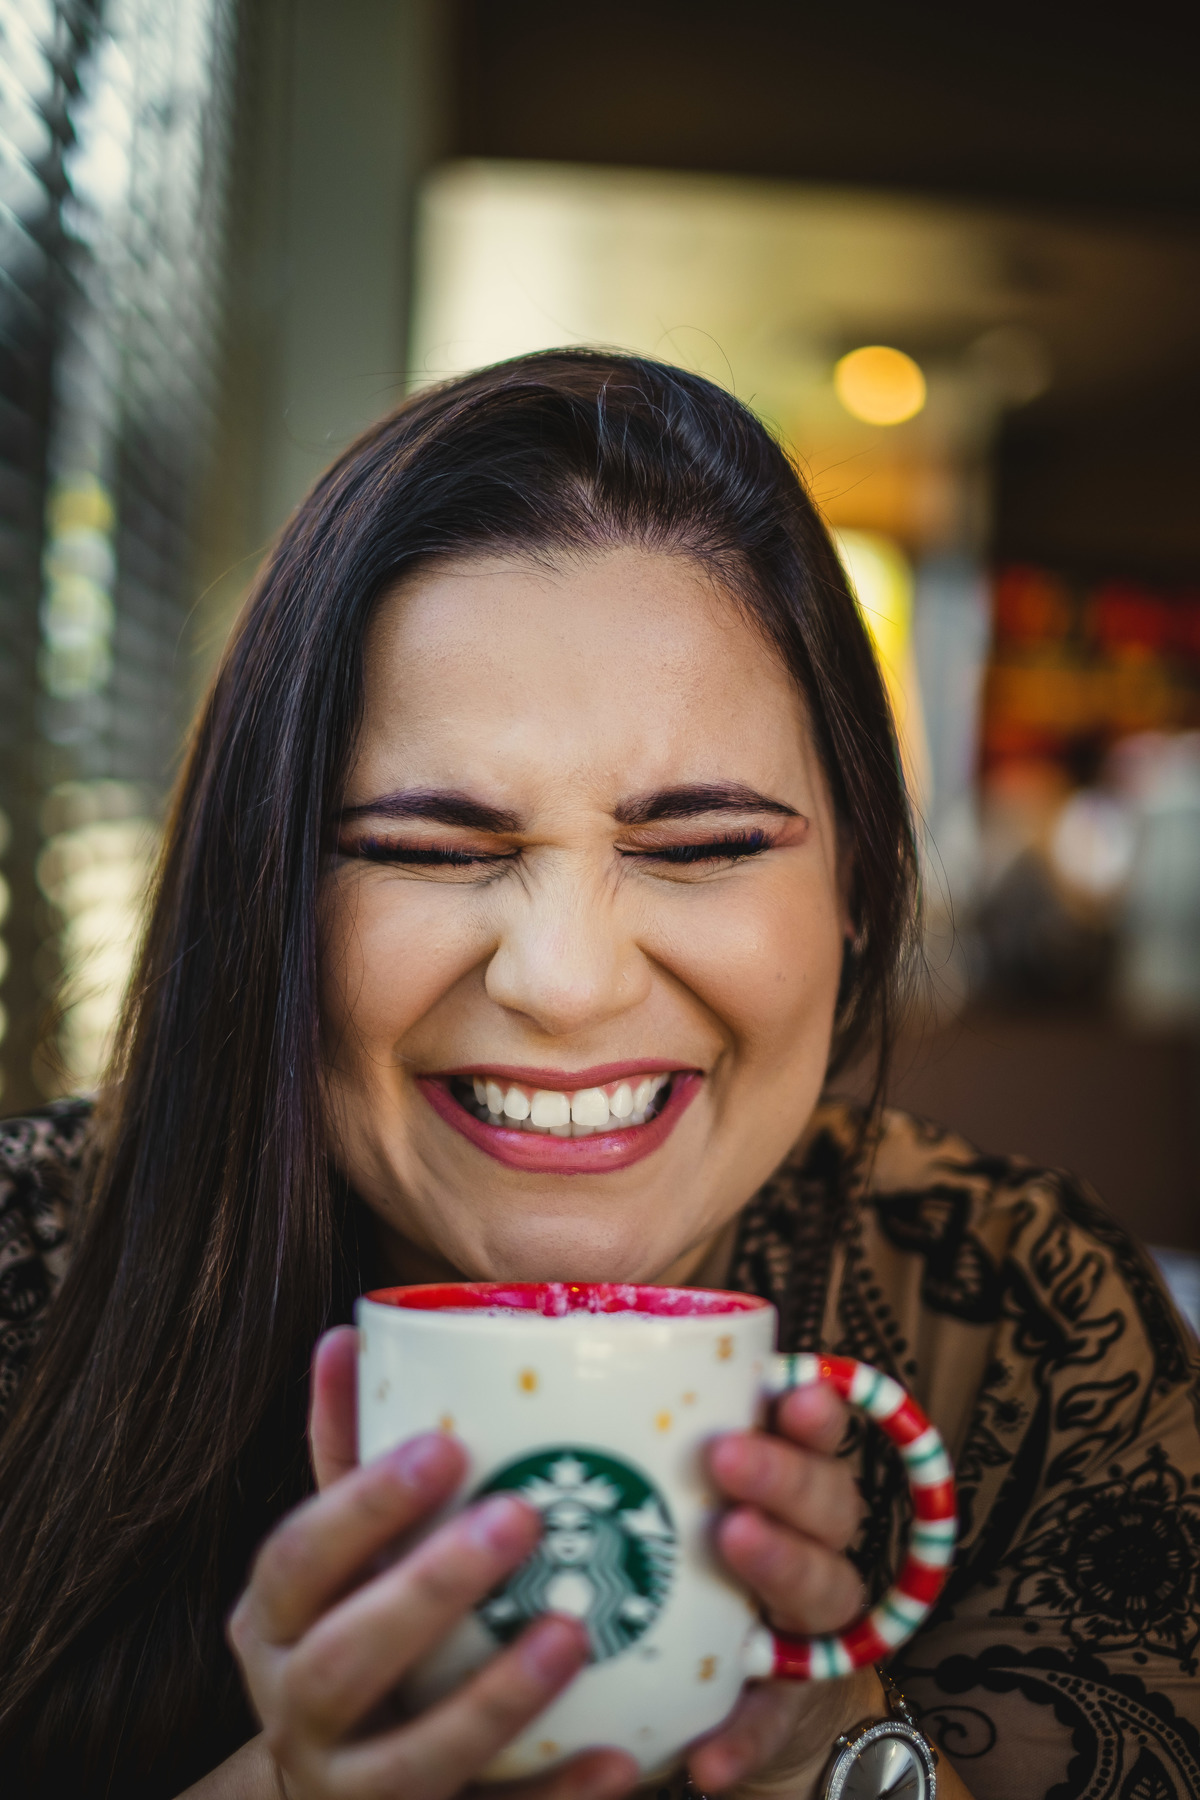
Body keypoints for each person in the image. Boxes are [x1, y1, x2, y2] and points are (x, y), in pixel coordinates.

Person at [0, 351, 1196, 1800]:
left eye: (700, 848)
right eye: (428, 850)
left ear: (865, 887)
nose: (564, 981)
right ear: (264, 900)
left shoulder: (1036, 1323)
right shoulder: (28, 1275)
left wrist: (838, 1760)